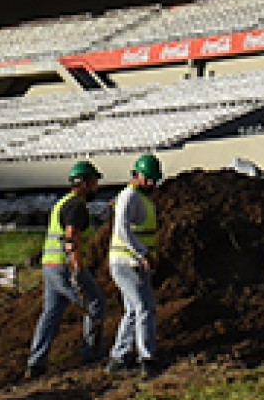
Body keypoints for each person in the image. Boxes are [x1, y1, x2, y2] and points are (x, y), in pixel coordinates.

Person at [26, 160, 106, 379]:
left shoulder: (62, 203)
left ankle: (36, 362)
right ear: (86, 183)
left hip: (50, 267)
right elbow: (71, 236)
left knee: (50, 313)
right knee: (95, 304)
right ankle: (91, 356)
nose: (97, 187)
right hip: (65, 267)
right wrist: (78, 267)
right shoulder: (77, 206)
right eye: (95, 182)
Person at [106, 154, 163, 378]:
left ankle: (118, 357)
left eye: (154, 180)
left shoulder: (141, 197)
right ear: (136, 174)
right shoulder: (129, 197)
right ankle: (146, 358)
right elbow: (122, 231)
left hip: (133, 262)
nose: (151, 184)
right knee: (145, 307)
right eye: (147, 179)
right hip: (126, 262)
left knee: (133, 310)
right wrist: (143, 253)